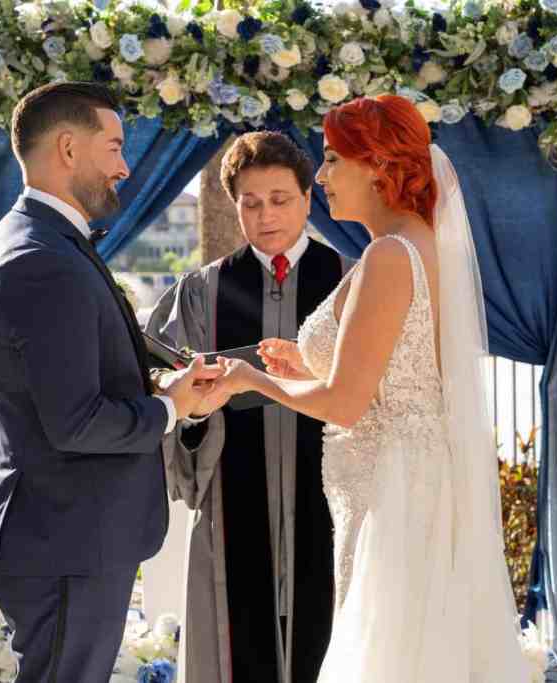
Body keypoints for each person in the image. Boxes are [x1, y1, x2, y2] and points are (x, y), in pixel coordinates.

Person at [212, 96, 544, 681]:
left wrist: (251, 378)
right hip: (402, 477)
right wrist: (303, 365)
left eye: (333, 159)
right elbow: (394, 377)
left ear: (378, 165)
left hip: (393, 489)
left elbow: (346, 403)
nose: (322, 177)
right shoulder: (416, 243)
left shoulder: (390, 255)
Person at [0, 81, 219, 683]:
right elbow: (76, 423)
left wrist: (157, 383)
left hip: (68, 540)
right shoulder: (42, 259)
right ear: (67, 148)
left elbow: (71, 379)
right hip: (66, 544)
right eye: (114, 147)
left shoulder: (40, 239)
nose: (125, 167)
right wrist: (169, 409)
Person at [145, 131, 353, 683]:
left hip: (332, 493)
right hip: (233, 491)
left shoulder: (350, 282)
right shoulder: (202, 292)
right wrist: (194, 410)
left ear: (308, 198)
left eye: (280, 199)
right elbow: (161, 387)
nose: (266, 216)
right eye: (251, 202)